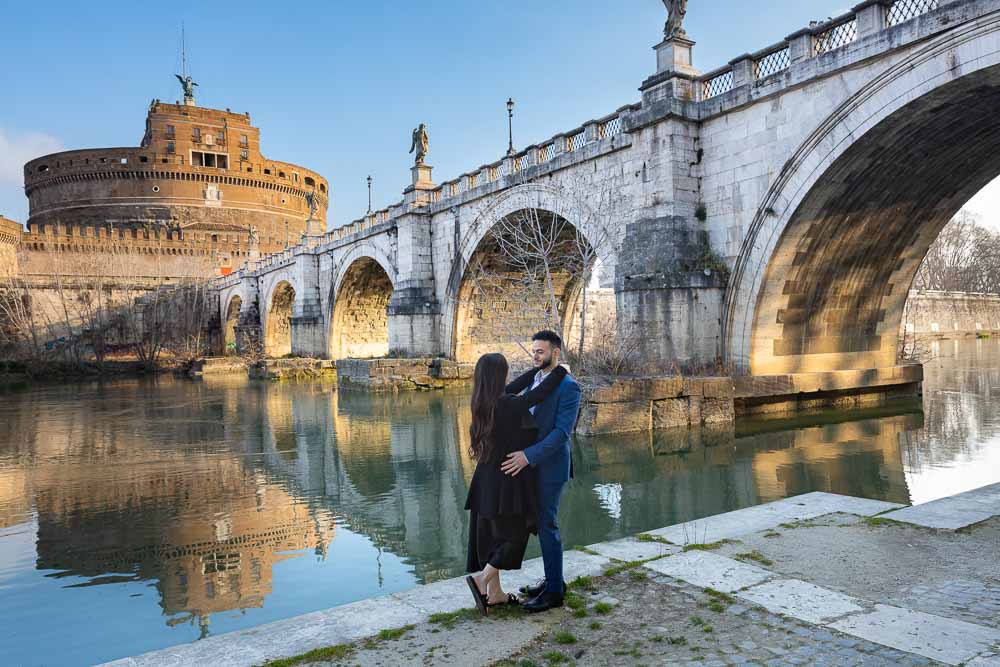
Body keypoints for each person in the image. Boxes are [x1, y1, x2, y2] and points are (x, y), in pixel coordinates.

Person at [464, 353, 569, 616]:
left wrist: (536, 371)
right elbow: (535, 396)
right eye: (506, 371)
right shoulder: (508, 405)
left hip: (484, 480)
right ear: (499, 376)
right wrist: (560, 371)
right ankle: (482, 580)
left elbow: (517, 389)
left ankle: (496, 594)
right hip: (506, 481)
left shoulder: (483, 401)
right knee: (514, 534)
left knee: (493, 536)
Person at [501, 330, 582, 613]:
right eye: (533, 351)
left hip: (550, 467)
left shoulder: (569, 387)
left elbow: (562, 433)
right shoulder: (535, 379)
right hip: (531, 466)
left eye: (540, 352)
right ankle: (553, 580)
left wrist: (528, 456)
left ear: (555, 353)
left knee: (547, 525)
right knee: (538, 524)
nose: (535, 356)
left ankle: (555, 593)